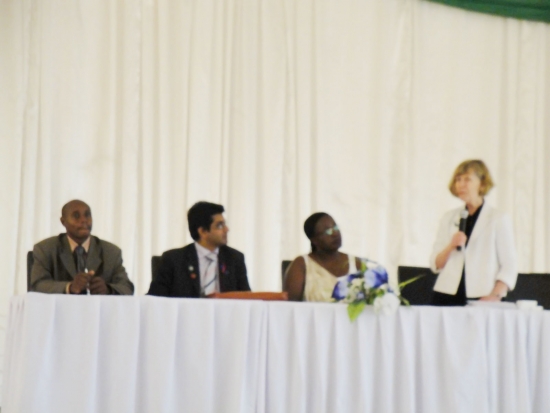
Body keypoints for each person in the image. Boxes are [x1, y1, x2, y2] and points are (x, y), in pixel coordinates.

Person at [429, 160, 517, 306]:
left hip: (483, 297)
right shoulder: (449, 217)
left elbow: (509, 264)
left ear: (482, 183)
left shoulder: (498, 218)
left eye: (467, 179)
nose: (461, 184)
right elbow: (435, 264)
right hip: (446, 295)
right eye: (458, 179)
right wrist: (451, 245)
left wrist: (495, 295)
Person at [147, 201, 251, 297]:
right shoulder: (173, 260)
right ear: (203, 231)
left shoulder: (234, 258)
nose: (226, 229)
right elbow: (155, 298)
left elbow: (246, 298)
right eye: (219, 226)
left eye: (225, 224)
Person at [31, 200, 134, 295]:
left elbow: (127, 288)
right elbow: (37, 285)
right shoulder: (45, 249)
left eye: (87, 215)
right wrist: (69, 287)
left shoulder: (111, 252)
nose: (83, 220)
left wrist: (108, 289)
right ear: (63, 221)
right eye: (76, 216)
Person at [284, 212, 362, 302]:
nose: (335, 234)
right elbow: (289, 306)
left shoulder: (356, 263)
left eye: (335, 227)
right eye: (328, 231)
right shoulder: (301, 265)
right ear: (314, 240)